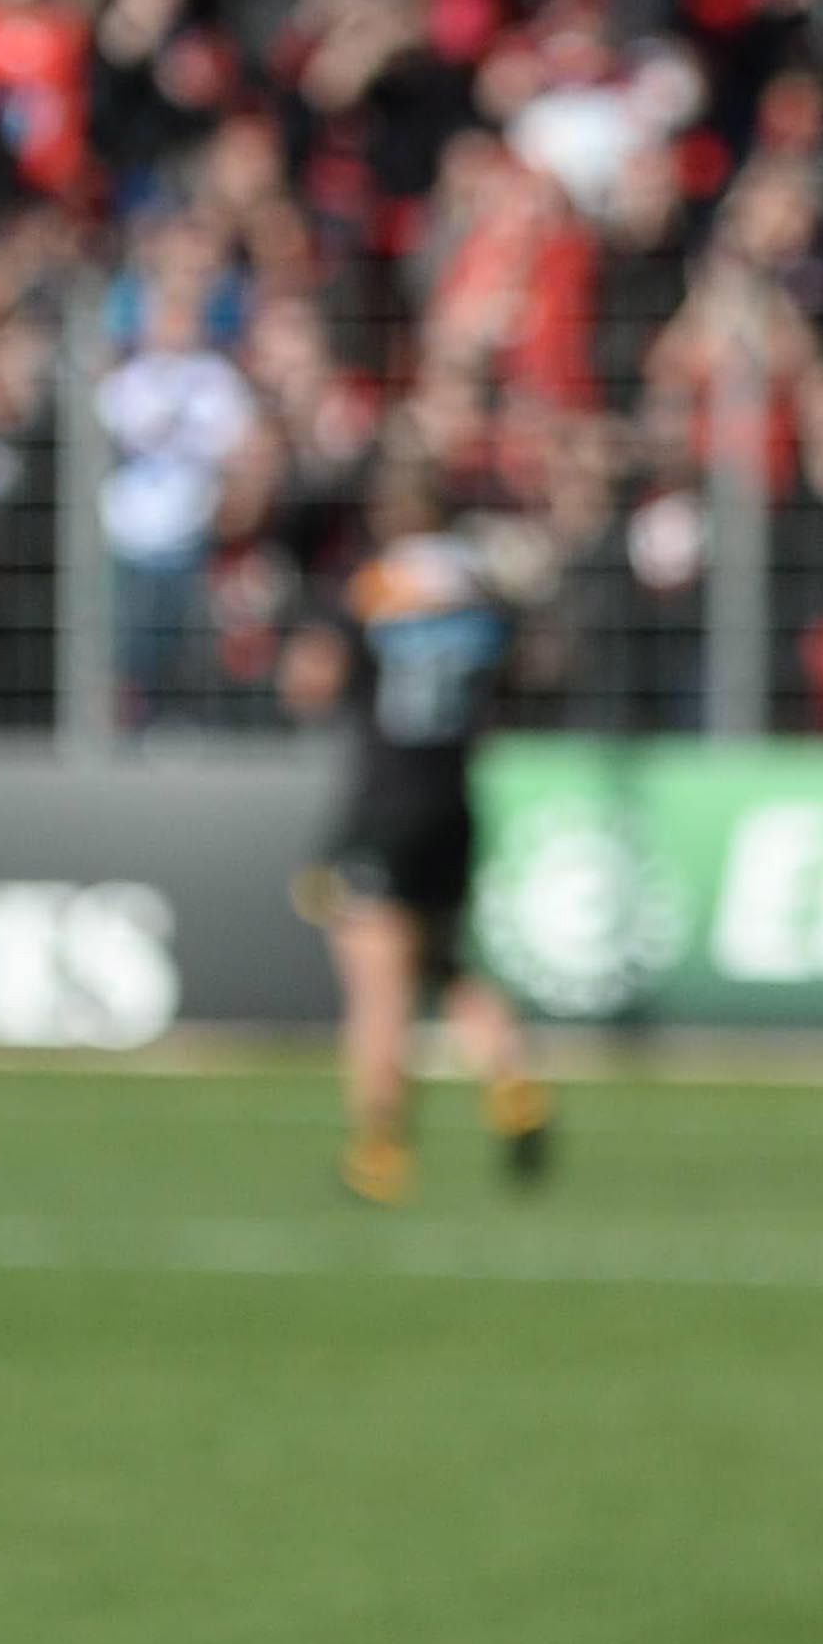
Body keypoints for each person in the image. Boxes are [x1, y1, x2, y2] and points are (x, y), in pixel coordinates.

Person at [284, 507, 553, 1206]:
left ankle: (379, 1148)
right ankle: (510, 1082)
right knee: (443, 961)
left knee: (377, 987)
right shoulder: (484, 590)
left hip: (384, 808)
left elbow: (310, 681)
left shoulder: (373, 588)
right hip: (453, 802)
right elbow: (527, 674)